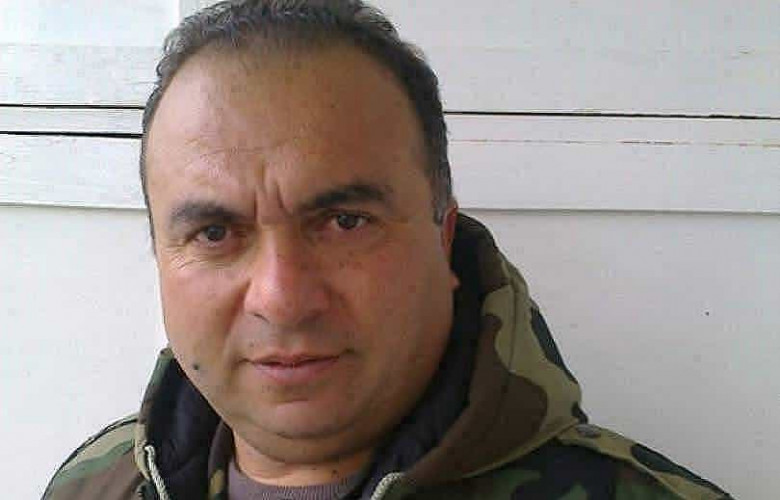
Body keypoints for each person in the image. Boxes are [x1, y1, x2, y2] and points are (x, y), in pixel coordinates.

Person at [43, 1, 731, 499]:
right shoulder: (94, 484)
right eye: (215, 234)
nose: (282, 298)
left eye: (345, 221)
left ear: (444, 237)